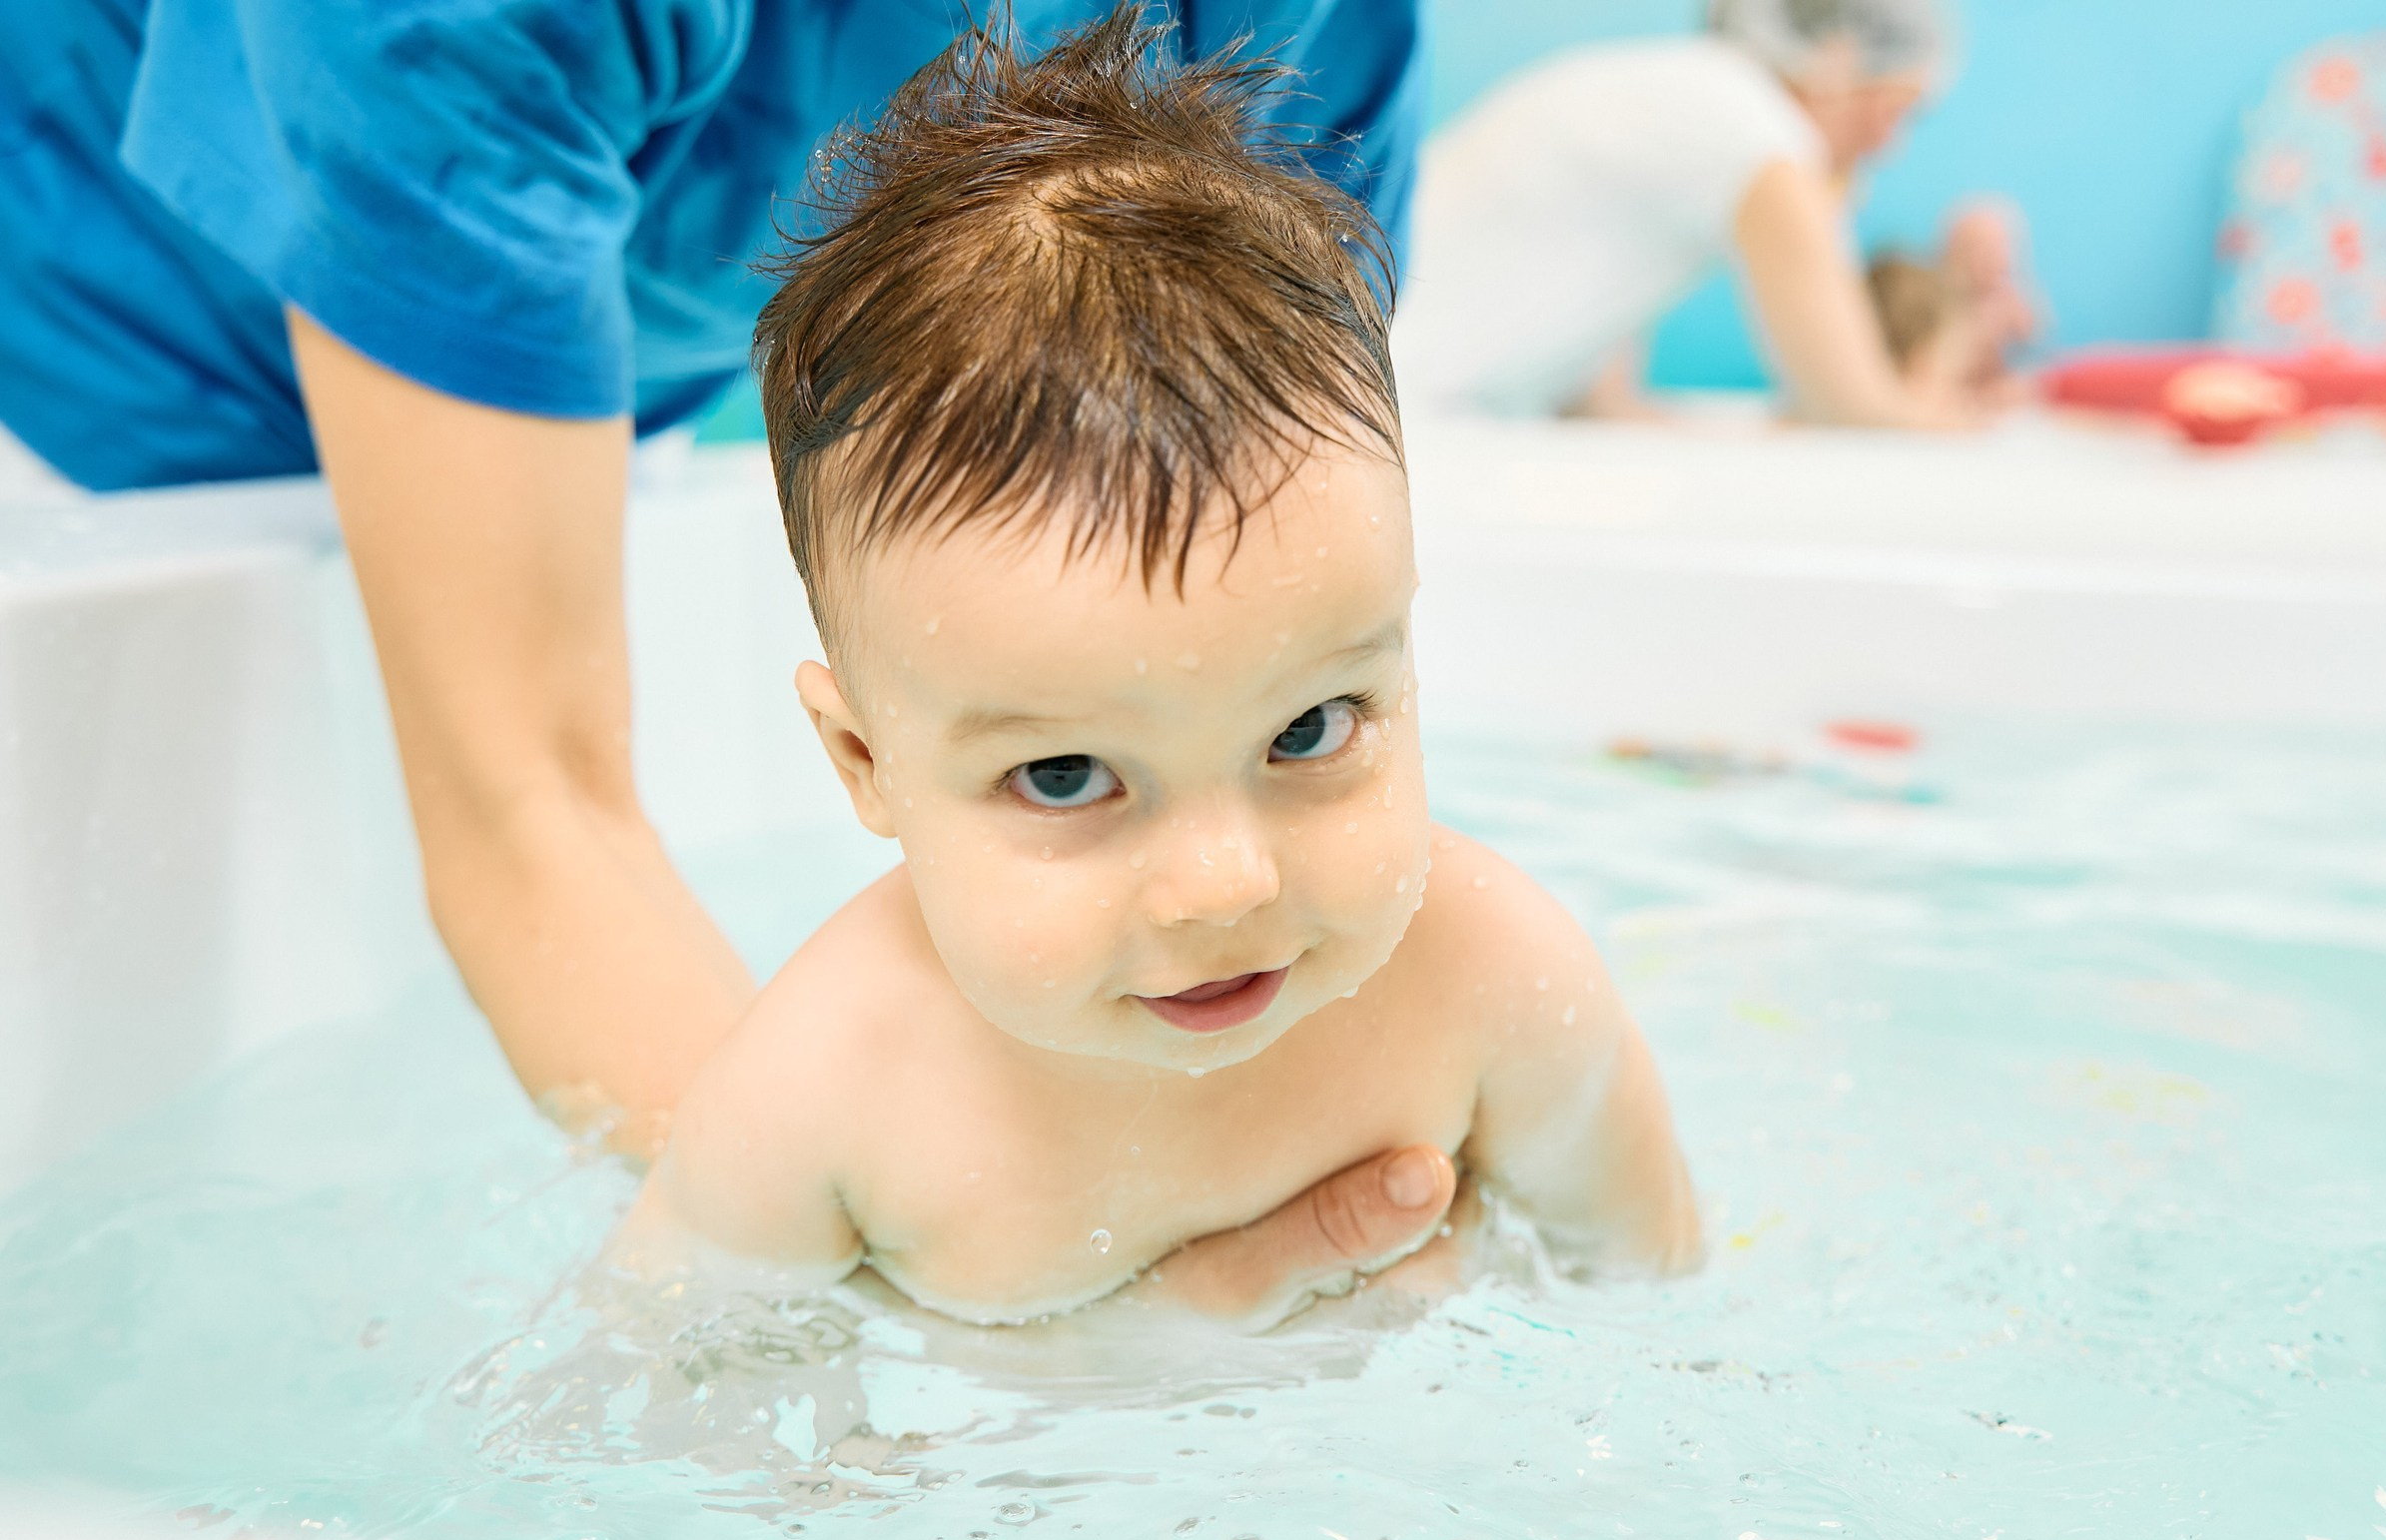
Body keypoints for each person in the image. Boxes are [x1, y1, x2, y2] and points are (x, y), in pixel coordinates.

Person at [0, 0, 1438, 1317]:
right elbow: (532, 808)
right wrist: (972, 1308)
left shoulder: (1298, 19)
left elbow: (1282, 630)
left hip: (600, 312)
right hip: (113, 377)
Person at [614, 12, 1704, 1326]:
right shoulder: (830, 1088)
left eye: (1308, 729)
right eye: (1067, 775)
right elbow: (675, 1392)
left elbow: (1659, 1312)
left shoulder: (1492, 975)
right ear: (865, 762)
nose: (1224, 885)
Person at [1392, 0, 2027, 427]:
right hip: (1399, 414)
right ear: (1838, 59)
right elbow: (1852, 402)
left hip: (1366, 398)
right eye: (1897, 109)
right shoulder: (1759, 131)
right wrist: (1984, 410)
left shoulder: (1686, 94)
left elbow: (1598, 397)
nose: (1890, 145)